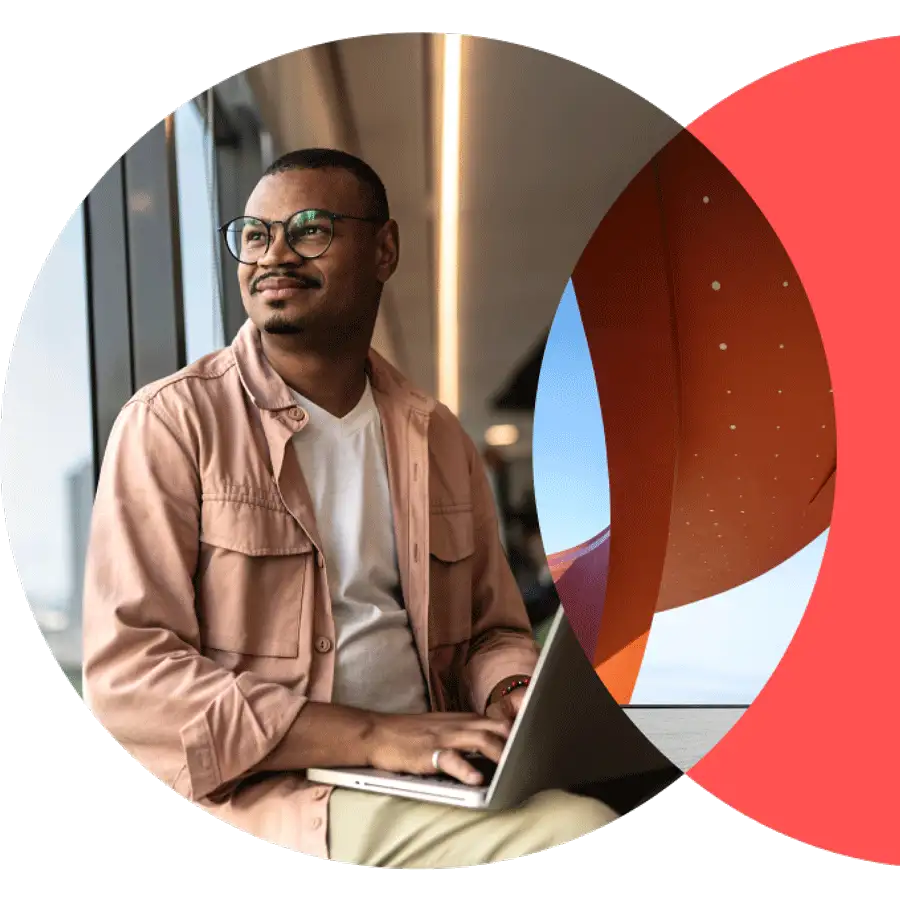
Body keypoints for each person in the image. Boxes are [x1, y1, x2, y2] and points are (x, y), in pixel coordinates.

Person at [82, 148, 618, 869]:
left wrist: (511, 693)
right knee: (577, 830)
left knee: (631, 784)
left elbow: (493, 631)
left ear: (384, 249)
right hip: (279, 791)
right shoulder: (173, 423)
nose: (273, 255)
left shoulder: (440, 436)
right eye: (255, 234)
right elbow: (130, 678)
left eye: (309, 229)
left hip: (433, 765)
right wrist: (370, 736)